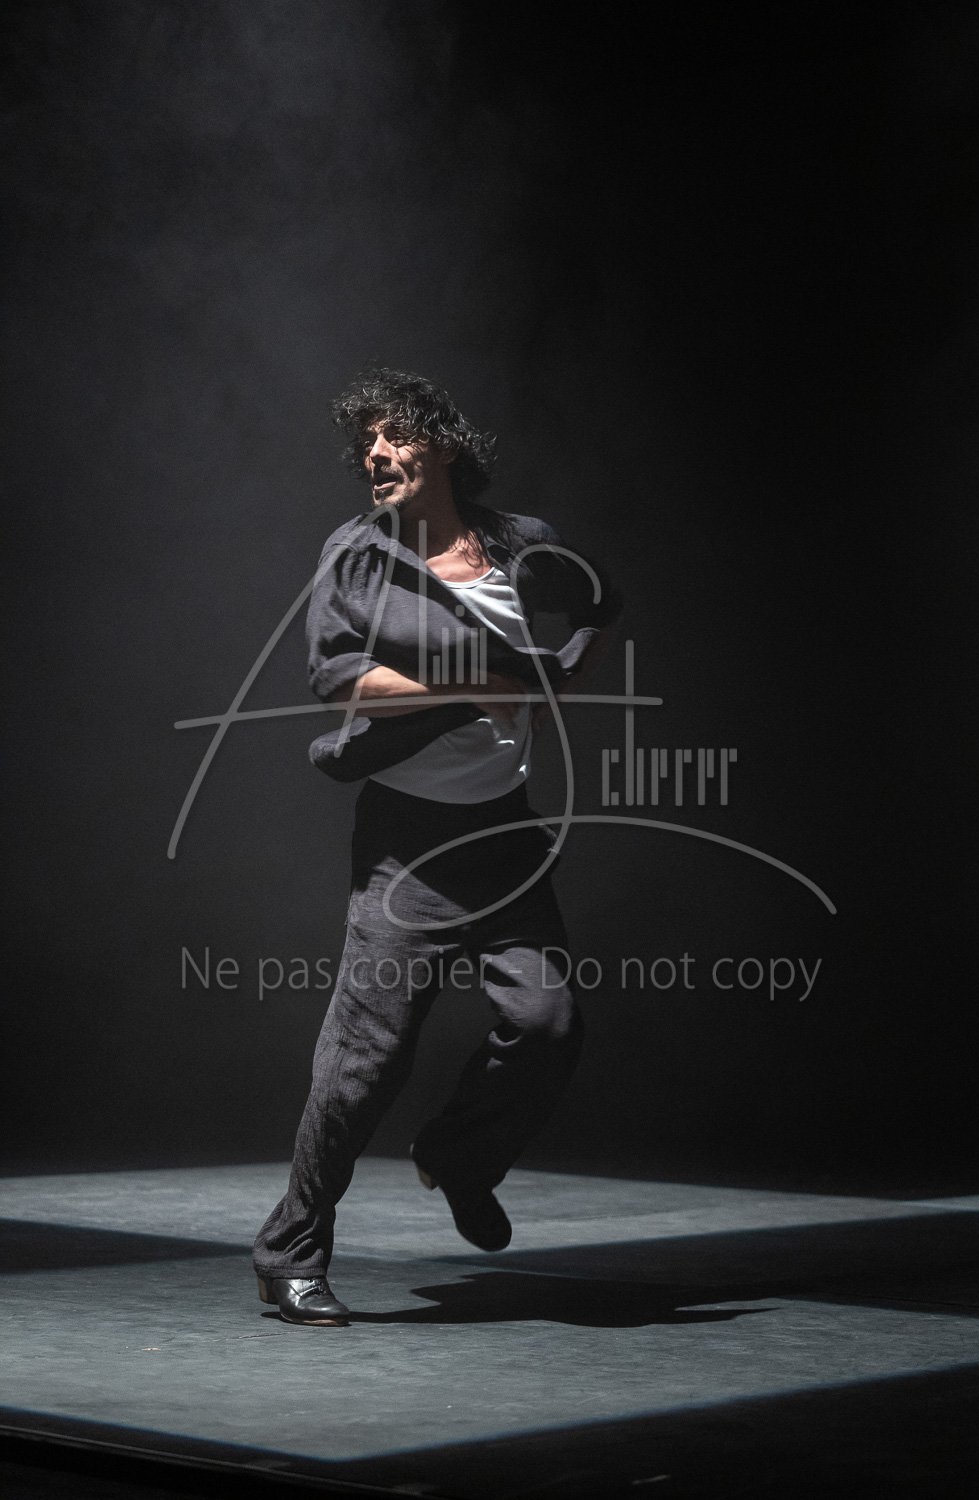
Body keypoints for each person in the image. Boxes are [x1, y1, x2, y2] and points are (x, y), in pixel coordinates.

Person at [252, 368, 621, 1325]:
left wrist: (560, 669)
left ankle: (458, 1156)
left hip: (506, 831)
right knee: (364, 1063)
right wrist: (473, 685)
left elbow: (597, 601)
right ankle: (289, 1252)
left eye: (393, 437)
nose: (374, 455)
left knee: (548, 1024)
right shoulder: (358, 553)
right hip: (406, 845)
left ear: (445, 444)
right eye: (365, 445)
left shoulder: (519, 542)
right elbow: (338, 677)